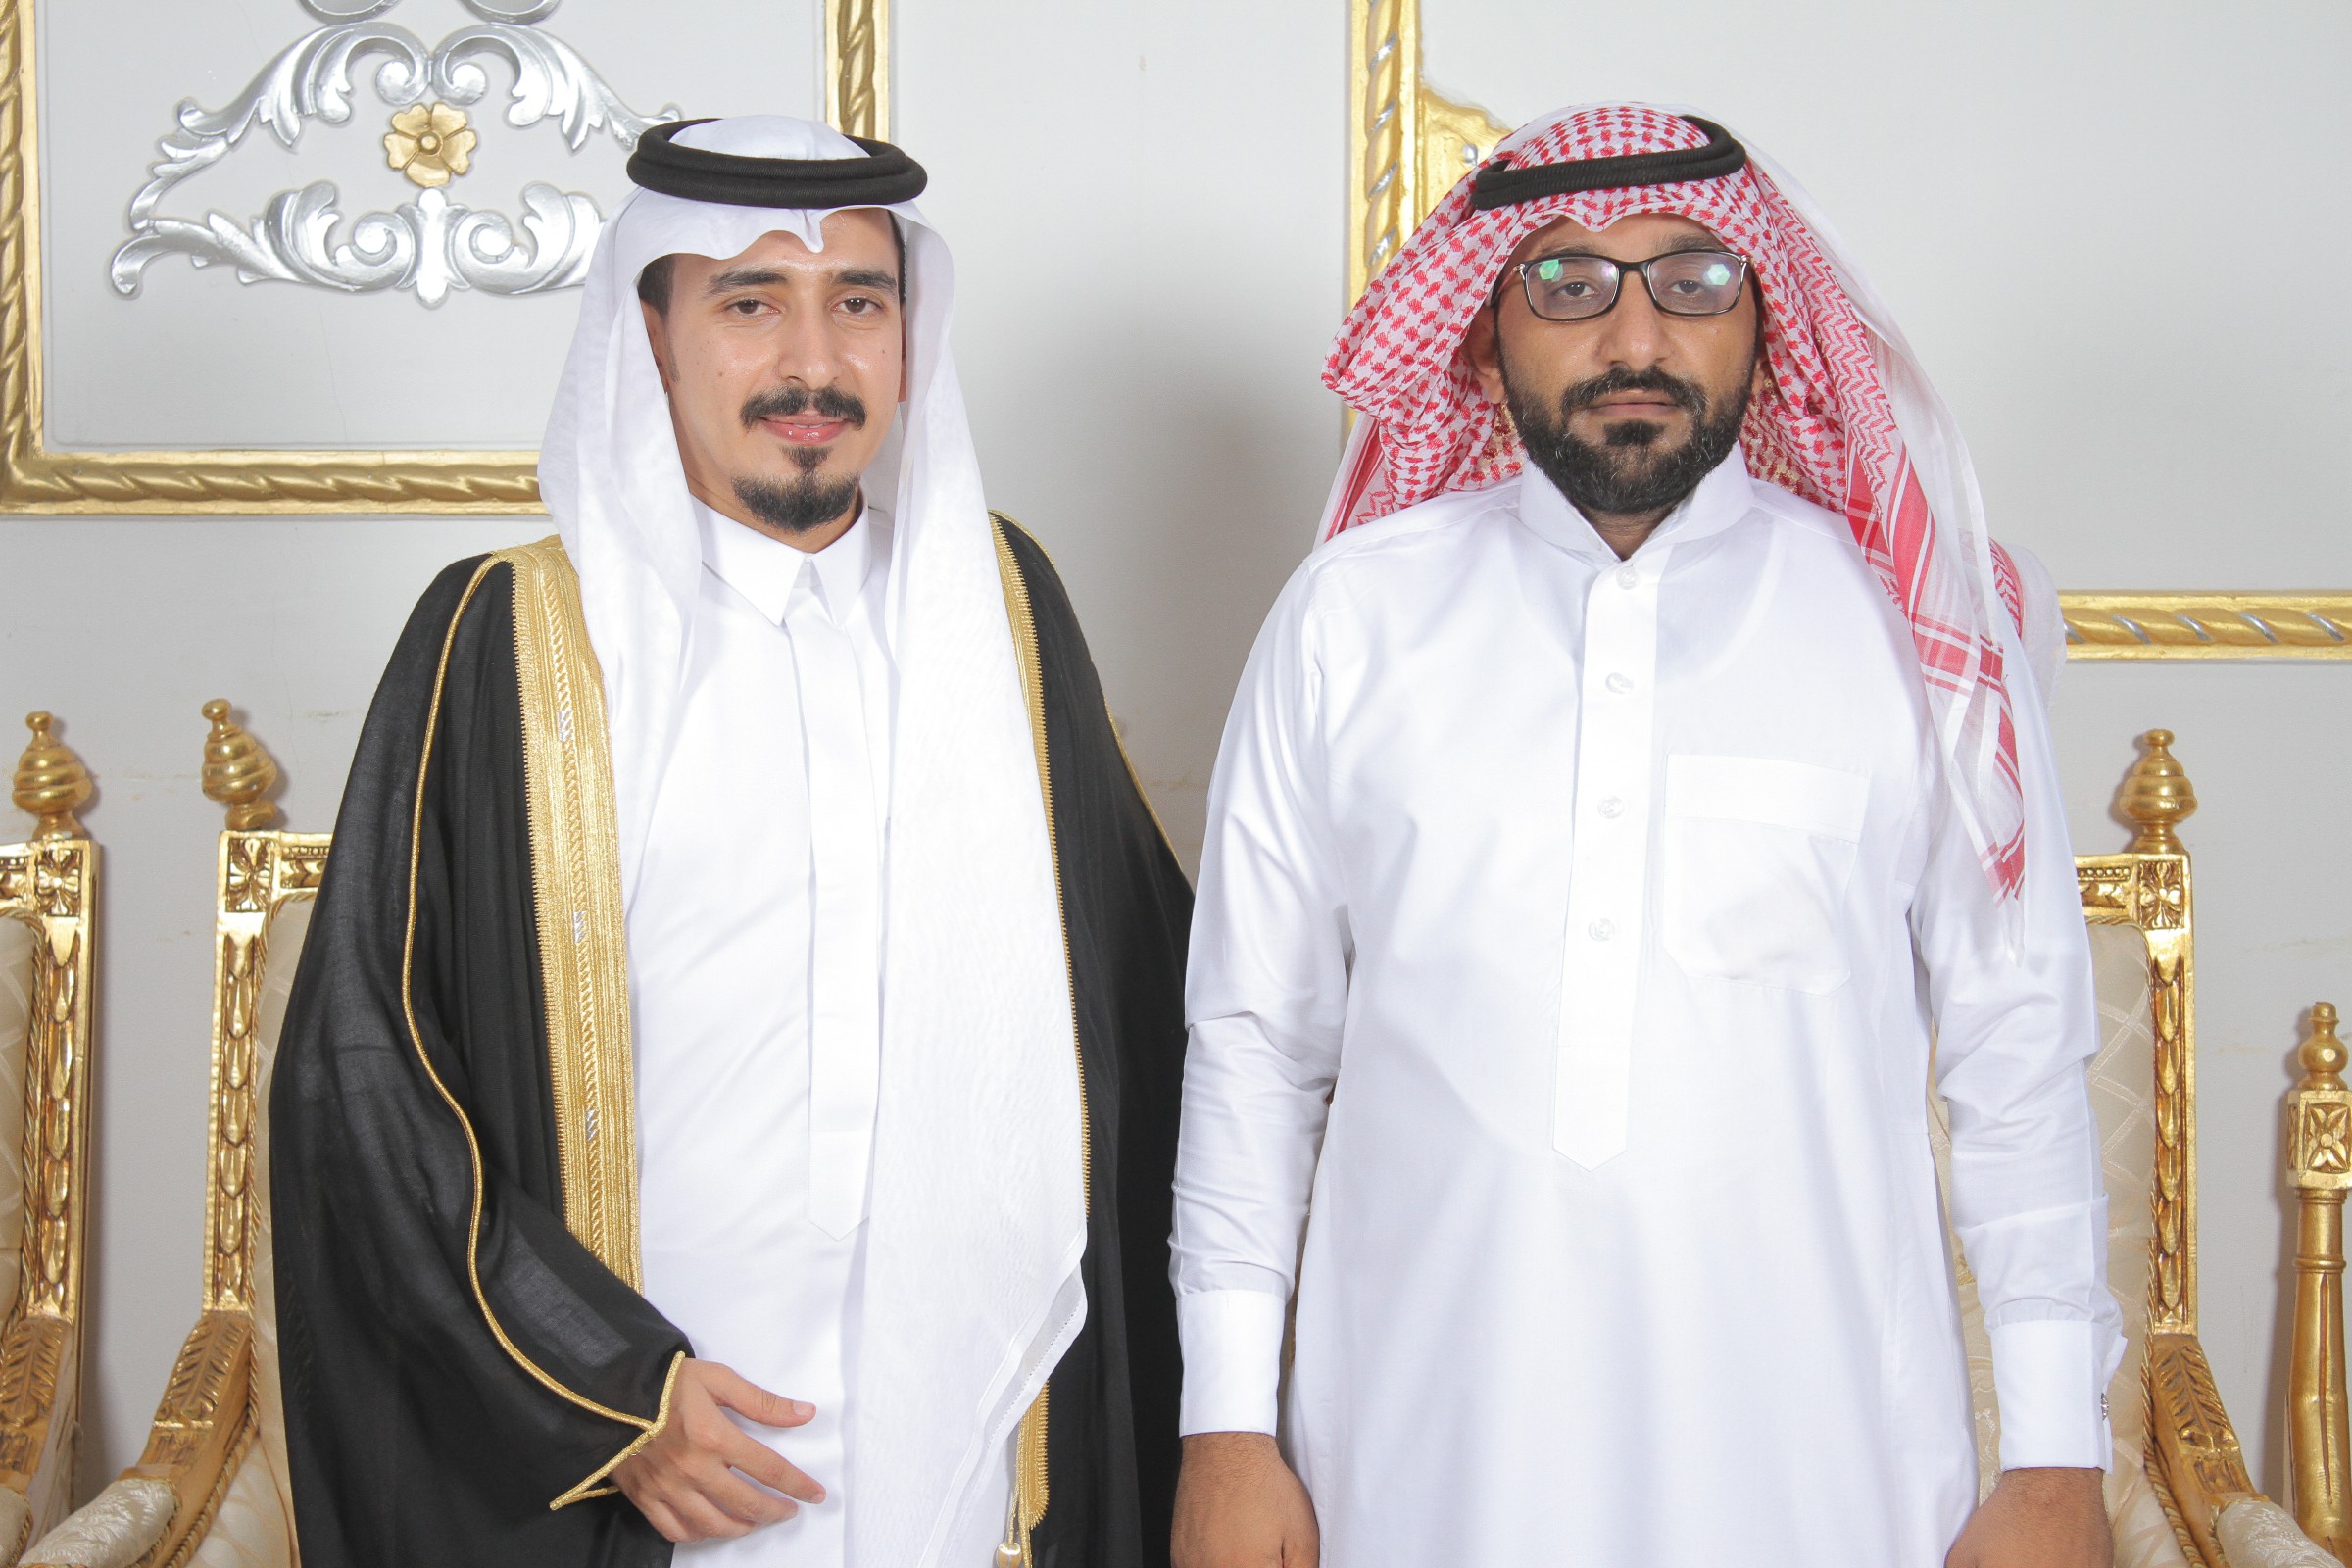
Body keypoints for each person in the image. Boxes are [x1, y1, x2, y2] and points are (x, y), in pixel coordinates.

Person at [1168, 105, 2116, 1568]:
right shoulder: (1351, 622)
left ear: (1768, 323)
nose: (1633, 336)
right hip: (1424, 1459)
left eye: (1693, 280)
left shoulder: (1911, 635)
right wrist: (1227, 1430)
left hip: (1821, 1466)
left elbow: (2019, 1049)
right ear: (1482, 328)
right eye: (1566, 283)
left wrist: (2055, 1457)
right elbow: (1254, 1044)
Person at [271, 115, 1189, 1568]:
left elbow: (1145, 1008)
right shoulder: (508, 636)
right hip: (651, 1466)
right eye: (750, 303)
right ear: (653, 335)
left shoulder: (1000, 608)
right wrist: (603, 1393)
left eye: (859, 303)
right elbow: (366, 1071)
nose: (813, 364)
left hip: (974, 1438)